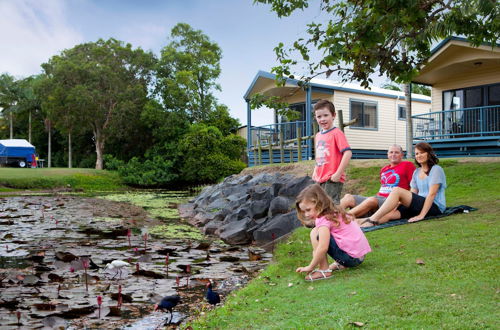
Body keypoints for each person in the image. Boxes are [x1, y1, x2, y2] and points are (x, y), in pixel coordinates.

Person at [359, 142, 446, 227]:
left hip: (435, 206)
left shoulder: (436, 169)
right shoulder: (416, 172)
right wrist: (397, 204)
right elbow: (413, 193)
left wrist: (421, 215)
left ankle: (372, 219)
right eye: (416, 153)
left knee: (397, 190)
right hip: (420, 205)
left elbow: (432, 194)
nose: (419, 155)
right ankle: (360, 223)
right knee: (390, 213)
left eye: (422, 152)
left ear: (429, 153)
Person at [295, 184, 371, 281]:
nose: (306, 214)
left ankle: (324, 270)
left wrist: (310, 266)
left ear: (318, 203)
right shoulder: (334, 211)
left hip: (352, 259)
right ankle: (338, 264)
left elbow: (323, 247)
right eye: (304, 211)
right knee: (319, 232)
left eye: (308, 210)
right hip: (359, 257)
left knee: (315, 233)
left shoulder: (323, 219)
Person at [340, 144, 416, 218]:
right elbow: (384, 186)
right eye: (391, 152)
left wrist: (402, 202)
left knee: (372, 200)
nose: (393, 154)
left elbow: (414, 186)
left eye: (396, 152)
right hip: (378, 198)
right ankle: (330, 215)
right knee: (348, 197)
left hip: (391, 201)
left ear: (402, 155)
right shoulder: (384, 169)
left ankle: (341, 219)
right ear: (387, 154)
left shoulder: (407, 165)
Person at [312, 99, 352, 204]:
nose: (322, 119)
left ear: (333, 115)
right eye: (319, 117)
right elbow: (319, 156)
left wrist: (338, 173)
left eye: (326, 115)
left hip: (332, 179)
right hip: (319, 178)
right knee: (319, 205)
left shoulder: (336, 133)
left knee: (330, 207)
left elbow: (347, 153)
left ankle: (339, 221)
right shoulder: (318, 135)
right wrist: (315, 171)